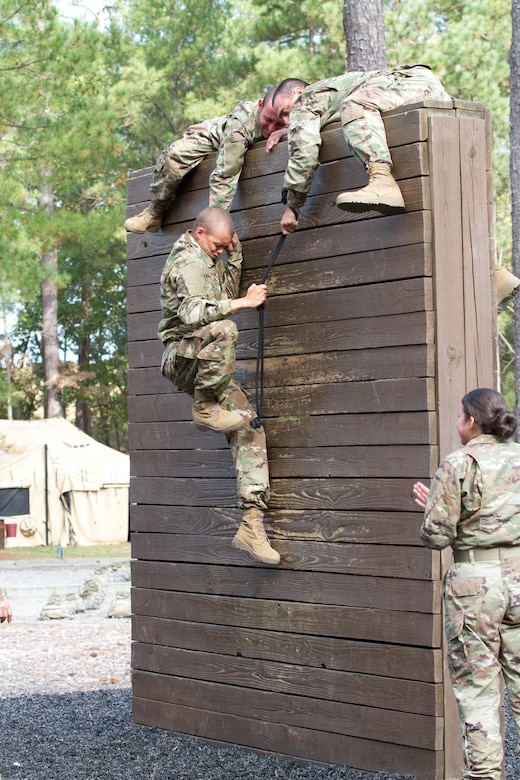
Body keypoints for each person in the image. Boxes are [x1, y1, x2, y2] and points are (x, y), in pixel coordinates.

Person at [158, 205, 280, 566]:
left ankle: (251, 524)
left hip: (207, 363)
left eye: (225, 247)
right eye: (217, 245)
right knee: (227, 329)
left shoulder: (209, 256)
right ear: (198, 234)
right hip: (181, 358)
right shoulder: (187, 262)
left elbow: (221, 291)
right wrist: (244, 302)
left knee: (248, 425)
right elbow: (195, 313)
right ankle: (204, 407)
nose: (221, 252)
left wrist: (235, 252)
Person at [413, 388, 520, 780]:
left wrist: (431, 508)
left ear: (471, 421)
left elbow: (436, 535)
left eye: (460, 416)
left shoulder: (458, 464)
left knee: (478, 691)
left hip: (475, 588)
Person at [269, 66, 452, 234]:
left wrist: (292, 206)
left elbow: (304, 152)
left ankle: (382, 180)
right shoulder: (333, 93)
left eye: (286, 112)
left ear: (298, 92)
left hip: (411, 82)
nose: (287, 120)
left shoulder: (305, 99)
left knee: (354, 105)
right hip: (425, 86)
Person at [124, 88, 288, 234]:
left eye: (279, 123)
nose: (272, 128)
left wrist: (286, 131)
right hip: (212, 136)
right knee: (173, 158)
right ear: (260, 106)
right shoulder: (239, 126)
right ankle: (154, 211)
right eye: (268, 120)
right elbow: (225, 175)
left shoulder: (298, 110)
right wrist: (215, 228)